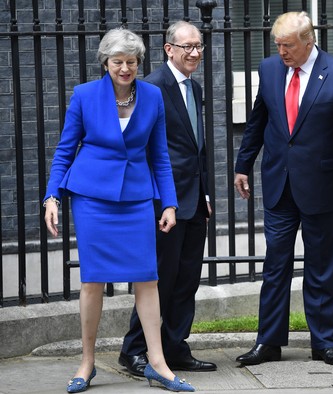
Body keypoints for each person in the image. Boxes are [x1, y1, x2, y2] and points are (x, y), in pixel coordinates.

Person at [43, 28, 194, 392]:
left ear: (139, 63)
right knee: (92, 280)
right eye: (117, 62)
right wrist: (52, 197)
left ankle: (157, 364)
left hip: (138, 198)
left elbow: (159, 154)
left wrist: (170, 203)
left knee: (148, 278)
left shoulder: (153, 97)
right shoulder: (84, 96)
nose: (125, 69)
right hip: (92, 198)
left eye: (131, 62)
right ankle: (87, 362)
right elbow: (65, 150)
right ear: (105, 63)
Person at [234, 11, 333, 367]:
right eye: (277, 44)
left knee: (324, 267)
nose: (281, 51)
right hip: (279, 185)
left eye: (287, 45)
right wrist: (243, 165)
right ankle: (269, 343)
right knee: (275, 265)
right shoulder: (270, 69)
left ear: (309, 41)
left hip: (323, 187)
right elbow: (259, 118)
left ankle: (324, 343)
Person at [119, 21, 216, 376]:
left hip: (194, 201)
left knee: (187, 280)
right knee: (157, 279)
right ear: (168, 49)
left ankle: (175, 348)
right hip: (164, 204)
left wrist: (204, 191)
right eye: (187, 46)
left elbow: (196, 149)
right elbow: (144, 150)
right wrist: (158, 200)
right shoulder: (151, 88)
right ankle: (133, 351)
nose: (194, 53)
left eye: (199, 46)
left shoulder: (196, 87)